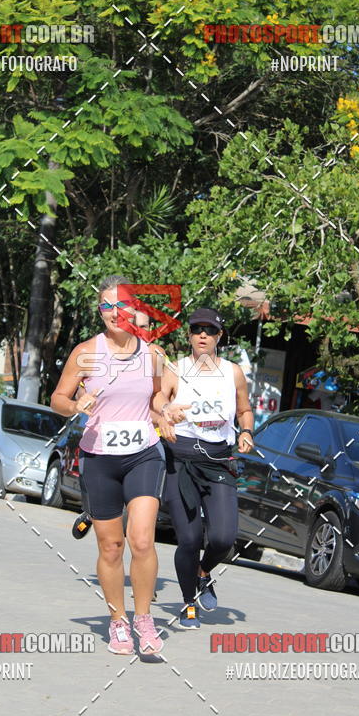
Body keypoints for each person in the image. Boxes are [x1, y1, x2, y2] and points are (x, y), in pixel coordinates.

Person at [51, 278, 166, 655]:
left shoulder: (152, 355)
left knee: (142, 538)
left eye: (121, 306)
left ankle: (144, 620)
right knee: (112, 546)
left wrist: (167, 415)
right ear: (98, 313)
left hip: (142, 453)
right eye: (106, 307)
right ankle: (118, 621)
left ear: (135, 309)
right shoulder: (86, 353)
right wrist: (75, 406)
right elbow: (58, 398)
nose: (115, 314)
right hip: (99, 455)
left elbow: (154, 404)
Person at [153, 308, 254, 629]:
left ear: (219, 337)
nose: (202, 335)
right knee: (189, 538)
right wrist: (166, 410)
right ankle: (187, 603)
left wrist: (247, 431)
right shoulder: (177, 369)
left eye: (209, 331)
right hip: (180, 458)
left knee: (224, 537)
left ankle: (203, 572)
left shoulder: (233, 372)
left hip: (218, 460)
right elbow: (157, 399)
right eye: (197, 329)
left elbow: (244, 408)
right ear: (189, 334)